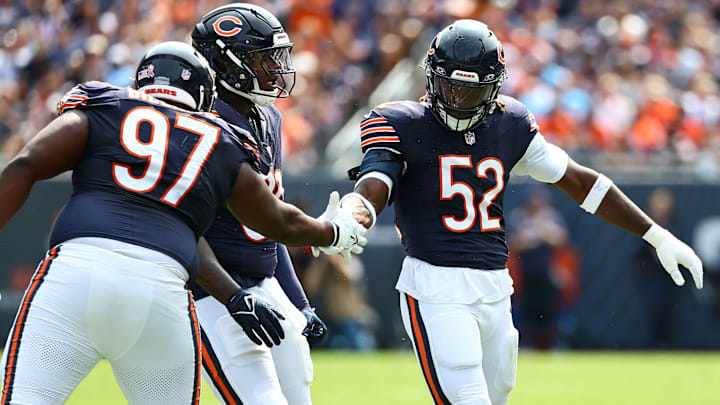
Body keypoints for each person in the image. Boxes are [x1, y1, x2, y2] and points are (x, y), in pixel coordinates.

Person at [332, 20, 704, 405]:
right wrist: (352, 213)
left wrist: (654, 234)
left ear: (494, 87)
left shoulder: (509, 123)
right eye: (451, 86)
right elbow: (375, 183)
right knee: (469, 398)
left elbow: (581, 183)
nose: (459, 100)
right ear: (431, 77)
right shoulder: (401, 122)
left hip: (495, 285)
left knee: (498, 397)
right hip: (434, 286)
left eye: (472, 91)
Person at [0, 41, 366, 405]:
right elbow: (277, 222)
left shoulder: (106, 106)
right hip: (161, 294)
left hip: (74, 277)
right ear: (204, 94)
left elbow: (25, 165)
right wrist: (333, 232)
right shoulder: (218, 140)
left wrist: (235, 296)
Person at [186, 4, 328, 405]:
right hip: (211, 291)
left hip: (264, 282)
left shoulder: (269, 118)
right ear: (226, 65)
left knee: (299, 392)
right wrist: (229, 296)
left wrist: (299, 301)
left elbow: (269, 225)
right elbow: (183, 226)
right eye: (263, 59)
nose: (275, 68)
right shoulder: (202, 122)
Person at [508, 186, 568, 350]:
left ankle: (553, 342)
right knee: (526, 310)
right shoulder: (519, 217)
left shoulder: (551, 216)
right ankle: (526, 342)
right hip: (525, 273)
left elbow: (560, 239)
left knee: (550, 309)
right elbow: (515, 242)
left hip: (546, 271)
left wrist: (541, 232)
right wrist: (534, 236)